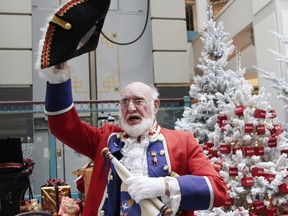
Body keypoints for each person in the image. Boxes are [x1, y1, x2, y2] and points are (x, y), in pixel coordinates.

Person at [41, 62, 227, 216]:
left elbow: (218, 190)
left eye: (138, 101)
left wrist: (163, 185)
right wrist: (58, 71)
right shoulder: (105, 139)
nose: (130, 108)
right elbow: (61, 125)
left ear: (155, 105)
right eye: (124, 102)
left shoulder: (182, 141)